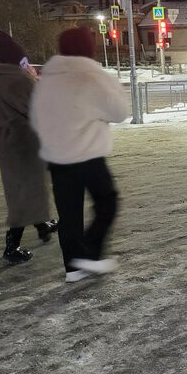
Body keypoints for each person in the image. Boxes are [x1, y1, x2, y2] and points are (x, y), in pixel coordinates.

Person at [30, 27, 129, 283]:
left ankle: (73, 268)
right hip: (89, 155)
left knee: (69, 214)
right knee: (107, 202)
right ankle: (91, 255)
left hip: (57, 157)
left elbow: (36, 118)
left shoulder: (47, 79)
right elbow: (119, 112)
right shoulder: (92, 76)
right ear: (88, 47)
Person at [0, 31, 57, 265]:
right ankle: (11, 246)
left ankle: (42, 224)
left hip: (4, 144)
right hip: (26, 142)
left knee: (22, 186)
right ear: (18, 61)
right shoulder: (22, 81)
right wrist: (36, 81)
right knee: (25, 191)